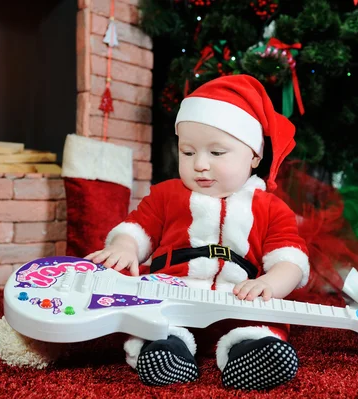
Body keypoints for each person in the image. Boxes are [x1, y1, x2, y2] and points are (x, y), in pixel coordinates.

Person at [87, 74, 310, 391]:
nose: (200, 164)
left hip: (237, 303)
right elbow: (138, 228)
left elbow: (290, 261)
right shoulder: (166, 195)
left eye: (217, 153)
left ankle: (250, 353)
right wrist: (124, 246)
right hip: (173, 295)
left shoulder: (272, 208)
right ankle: (166, 350)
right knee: (152, 320)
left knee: (262, 326)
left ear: (255, 157)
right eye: (188, 152)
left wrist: (268, 284)